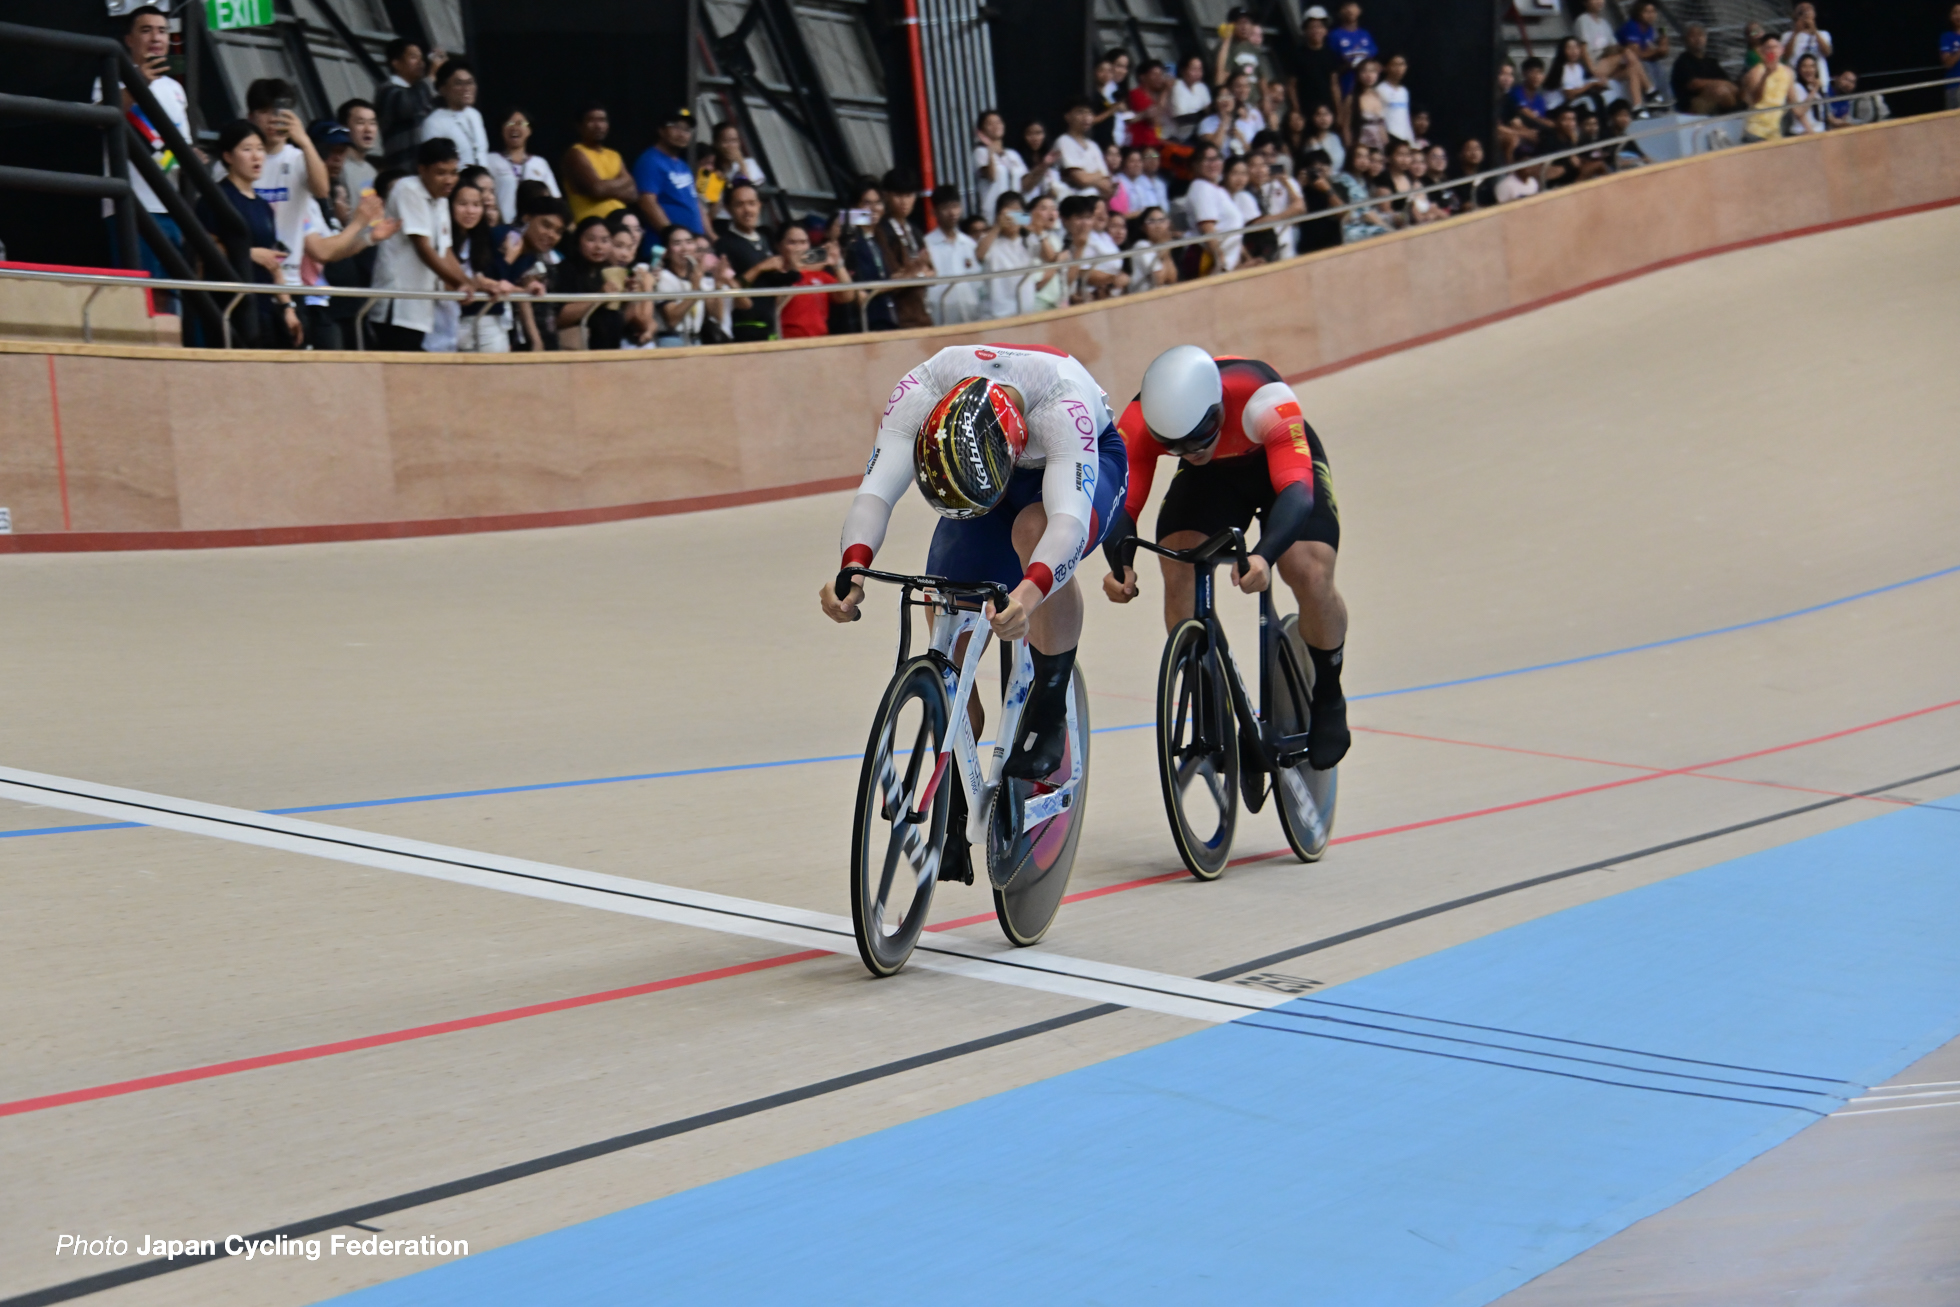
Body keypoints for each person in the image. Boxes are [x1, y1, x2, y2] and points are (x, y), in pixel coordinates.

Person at [820, 345, 1132, 866]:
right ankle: (958, 790)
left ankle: (1050, 697)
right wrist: (853, 567)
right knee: (947, 599)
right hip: (977, 479)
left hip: (1081, 462)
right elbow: (875, 491)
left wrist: (1028, 597)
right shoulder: (922, 389)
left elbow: (1067, 526)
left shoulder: (1062, 406)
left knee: (1033, 531)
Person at [1101, 346, 1349, 770]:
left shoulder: (1264, 398)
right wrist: (1119, 565)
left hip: (1279, 470)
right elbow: (1119, 506)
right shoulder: (1139, 423)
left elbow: (1297, 493)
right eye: (1175, 447)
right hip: (1211, 481)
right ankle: (1209, 694)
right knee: (1178, 562)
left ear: (1217, 410)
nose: (1190, 450)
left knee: (1307, 571)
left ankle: (1328, 690)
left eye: (1198, 439)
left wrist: (1265, 556)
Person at [91, 5, 191, 302]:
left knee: (172, 296)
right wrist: (139, 84)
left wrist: (192, 157)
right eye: (146, 30)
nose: (156, 37)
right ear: (130, 40)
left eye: (162, 30)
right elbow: (99, 118)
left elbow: (180, 144)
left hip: (171, 207)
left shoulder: (175, 88)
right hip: (131, 206)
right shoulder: (112, 77)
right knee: (139, 296)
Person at [196, 120, 293, 347]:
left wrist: (288, 307)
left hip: (264, 307)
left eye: (260, 149)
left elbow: (273, 261)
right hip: (228, 307)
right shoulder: (216, 199)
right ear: (228, 156)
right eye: (247, 150)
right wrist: (248, 254)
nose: (257, 156)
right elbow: (205, 251)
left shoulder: (263, 206)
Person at [371, 136, 469, 351]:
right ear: (422, 169)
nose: (449, 180)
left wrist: (467, 282)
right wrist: (461, 284)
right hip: (396, 307)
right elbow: (423, 248)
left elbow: (446, 252)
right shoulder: (408, 189)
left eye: (454, 172)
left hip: (420, 309)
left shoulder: (442, 200)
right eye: (441, 172)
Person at [753, 223, 854, 338]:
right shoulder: (774, 275)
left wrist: (838, 264)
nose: (799, 248)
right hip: (789, 341)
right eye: (792, 243)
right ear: (779, 246)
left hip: (821, 339)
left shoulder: (818, 274)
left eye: (803, 242)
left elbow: (847, 296)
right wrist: (794, 269)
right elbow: (773, 306)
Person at [717, 180, 778, 340]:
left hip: (771, 324)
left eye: (752, 203)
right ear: (728, 209)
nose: (747, 210)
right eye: (740, 205)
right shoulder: (725, 244)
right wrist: (759, 268)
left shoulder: (765, 238)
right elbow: (729, 286)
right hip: (744, 327)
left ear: (759, 205)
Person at [508, 191, 569, 350]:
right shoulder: (506, 240)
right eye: (546, 225)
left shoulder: (532, 255)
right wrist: (536, 341)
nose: (551, 235)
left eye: (558, 231)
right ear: (527, 218)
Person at [633, 108, 706, 237]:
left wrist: (710, 237)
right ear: (661, 130)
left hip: (691, 244)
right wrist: (671, 236)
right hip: (667, 247)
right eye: (676, 127)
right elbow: (647, 203)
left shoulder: (683, 165)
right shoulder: (650, 160)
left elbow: (695, 204)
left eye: (687, 130)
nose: (682, 134)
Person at [875, 169, 934, 328]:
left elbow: (933, 272)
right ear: (886, 195)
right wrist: (918, 272)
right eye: (898, 196)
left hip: (921, 311)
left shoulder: (915, 231)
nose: (904, 202)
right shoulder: (880, 231)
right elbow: (892, 277)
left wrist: (916, 273)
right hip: (897, 316)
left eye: (909, 195)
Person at [484, 107, 559, 225]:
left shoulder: (540, 163)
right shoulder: (490, 160)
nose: (514, 127)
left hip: (535, 228)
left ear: (529, 130)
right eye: (509, 123)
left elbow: (554, 199)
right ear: (501, 129)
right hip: (501, 226)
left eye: (521, 123)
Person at [562, 103, 635, 224]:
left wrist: (605, 187)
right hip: (591, 225)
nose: (598, 126)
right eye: (591, 120)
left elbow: (633, 194)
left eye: (602, 120)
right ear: (579, 126)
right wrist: (623, 183)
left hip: (620, 225)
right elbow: (597, 189)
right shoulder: (575, 153)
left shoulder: (614, 155)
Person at [376, 37, 441, 167]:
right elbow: (408, 106)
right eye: (413, 57)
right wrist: (431, 79)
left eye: (421, 58)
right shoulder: (387, 90)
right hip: (403, 166)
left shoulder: (420, 90)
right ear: (396, 63)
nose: (421, 63)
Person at [1573, 0, 1649, 110]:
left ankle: (1637, 107)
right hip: (1595, 65)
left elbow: (1614, 46)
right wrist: (1593, 71)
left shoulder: (1604, 23)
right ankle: (1650, 90)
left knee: (1632, 68)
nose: (1600, 2)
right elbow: (1583, 50)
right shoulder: (1583, 20)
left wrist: (1625, 48)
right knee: (1628, 54)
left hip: (1609, 65)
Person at [924, 186, 983, 324]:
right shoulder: (927, 244)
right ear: (934, 212)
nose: (952, 212)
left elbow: (977, 283)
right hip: (940, 317)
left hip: (971, 314)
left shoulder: (968, 243)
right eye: (945, 207)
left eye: (955, 206)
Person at [1058, 195, 1128, 302]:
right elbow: (1069, 279)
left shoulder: (1102, 236)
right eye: (1079, 217)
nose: (1085, 223)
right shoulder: (1057, 240)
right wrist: (1113, 279)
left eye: (1088, 217)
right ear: (1064, 219)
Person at [697, 120, 768, 225]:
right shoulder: (710, 169)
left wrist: (741, 163)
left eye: (734, 141)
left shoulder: (749, 164)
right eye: (726, 141)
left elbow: (749, 190)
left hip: (743, 219)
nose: (731, 145)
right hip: (719, 219)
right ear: (716, 144)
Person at [421, 59, 488, 167]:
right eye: (458, 83)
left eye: (470, 82)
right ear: (443, 89)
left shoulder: (475, 115)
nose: (466, 88)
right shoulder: (434, 122)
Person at [1671, 24, 1739, 116]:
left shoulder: (1711, 62)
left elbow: (1727, 81)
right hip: (1691, 107)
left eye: (1700, 35)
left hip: (1712, 103)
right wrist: (1721, 84)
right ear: (1685, 40)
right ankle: (1736, 119)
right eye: (1693, 36)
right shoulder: (1682, 62)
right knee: (1720, 91)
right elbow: (1694, 84)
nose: (1698, 38)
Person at [1740, 35, 1796, 142]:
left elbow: (1792, 102)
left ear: (1781, 50)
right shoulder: (1755, 72)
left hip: (1774, 132)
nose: (1772, 51)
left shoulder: (1788, 72)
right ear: (1761, 51)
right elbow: (1755, 100)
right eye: (1768, 48)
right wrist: (1766, 75)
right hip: (1755, 130)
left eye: (1775, 47)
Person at [1217, 6, 1281, 100]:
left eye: (1248, 23)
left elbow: (1261, 78)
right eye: (1240, 23)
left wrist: (1266, 99)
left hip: (1255, 103)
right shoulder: (1227, 48)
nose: (1244, 27)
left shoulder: (1253, 49)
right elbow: (1222, 77)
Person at [1057, 97, 1115, 198]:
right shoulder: (1063, 141)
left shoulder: (1093, 146)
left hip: (1097, 203)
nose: (1086, 117)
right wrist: (1098, 175)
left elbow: (1107, 182)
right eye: (1080, 112)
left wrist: (1092, 178)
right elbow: (1081, 180)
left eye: (1089, 113)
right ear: (1067, 116)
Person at [973, 111, 1026, 222]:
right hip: (993, 213)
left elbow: (1025, 183)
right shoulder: (980, 152)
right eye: (990, 124)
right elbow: (991, 176)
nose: (995, 126)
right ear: (981, 131)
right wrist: (990, 151)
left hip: (1017, 211)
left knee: (1023, 234)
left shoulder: (1013, 154)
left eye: (998, 122)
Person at [1617, 1, 1672, 106]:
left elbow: (1649, 53)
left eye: (1653, 11)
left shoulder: (1650, 29)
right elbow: (1636, 54)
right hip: (1623, 62)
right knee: (1646, 66)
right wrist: (1656, 50)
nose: (1651, 15)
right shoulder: (1632, 26)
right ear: (1639, 13)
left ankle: (1666, 100)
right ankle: (1652, 100)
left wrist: (1662, 51)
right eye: (1646, 12)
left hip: (1639, 60)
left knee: (1659, 67)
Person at [1292, 6, 1344, 115]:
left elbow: (1334, 85)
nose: (1316, 31)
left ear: (1326, 31)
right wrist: (1296, 110)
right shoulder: (1298, 54)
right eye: (1312, 27)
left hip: (1328, 109)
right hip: (1306, 108)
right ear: (1305, 30)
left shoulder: (1330, 54)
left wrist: (1339, 112)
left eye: (1320, 27)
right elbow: (1292, 85)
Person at [1328, 1, 1378, 100]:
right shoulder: (1334, 35)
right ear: (1340, 11)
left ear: (1359, 10)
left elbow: (1373, 58)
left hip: (1365, 93)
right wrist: (1349, 66)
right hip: (1345, 90)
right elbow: (1331, 67)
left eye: (1353, 6)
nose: (1350, 10)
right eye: (1346, 6)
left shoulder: (1365, 34)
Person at [1546, 36, 1610, 113]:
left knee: (1597, 97)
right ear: (1563, 50)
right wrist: (1591, 84)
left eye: (1576, 48)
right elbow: (1570, 95)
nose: (1574, 51)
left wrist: (1598, 85)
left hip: (1568, 103)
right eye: (1569, 48)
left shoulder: (1578, 67)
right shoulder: (1562, 68)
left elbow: (1580, 89)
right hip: (1556, 107)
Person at [337, 99, 381, 199]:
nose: (368, 129)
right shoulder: (338, 168)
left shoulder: (371, 170)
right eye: (360, 123)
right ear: (344, 128)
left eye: (372, 123)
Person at [1780, 4, 1832, 87]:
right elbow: (1785, 57)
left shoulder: (1823, 34)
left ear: (1814, 14)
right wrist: (1795, 32)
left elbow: (1827, 52)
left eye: (1809, 10)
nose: (1805, 13)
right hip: (1795, 82)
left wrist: (1814, 31)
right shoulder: (1786, 36)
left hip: (1819, 81)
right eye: (1802, 11)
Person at [1127, 60, 1172, 149]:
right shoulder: (1136, 94)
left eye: (1161, 74)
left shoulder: (1154, 98)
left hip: (1154, 145)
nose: (1159, 78)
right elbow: (1153, 118)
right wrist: (1165, 91)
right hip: (1142, 147)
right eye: (1155, 74)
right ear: (1143, 77)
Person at [1170, 56, 1213, 140]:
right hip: (1179, 133)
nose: (1198, 73)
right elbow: (1180, 114)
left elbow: (1208, 110)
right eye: (1194, 69)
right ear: (1183, 70)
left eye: (1200, 69)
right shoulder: (1175, 86)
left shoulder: (1202, 87)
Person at [1378, 53, 1414, 144]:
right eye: (1395, 65)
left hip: (1404, 138)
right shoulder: (1380, 89)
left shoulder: (1404, 91)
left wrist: (1411, 140)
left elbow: (1405, 118)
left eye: (1402, 64)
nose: (1399, 68)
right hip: (1389, 138)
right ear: (1386, 67)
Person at [1943, 4, 1960, 113]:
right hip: (1954, 86)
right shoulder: (1947, 37)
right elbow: (1948, 63)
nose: (1958, 16)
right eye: (1955, 13)